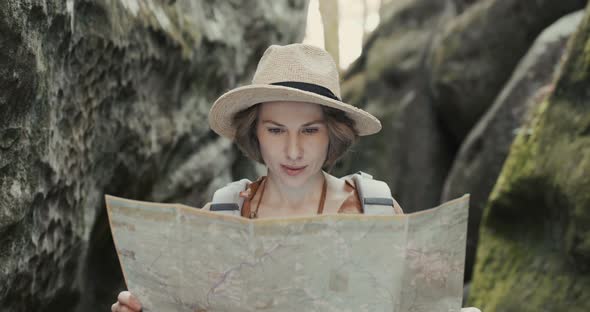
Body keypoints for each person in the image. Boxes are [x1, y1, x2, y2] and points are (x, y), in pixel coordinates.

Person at [111, 43, 478, 312]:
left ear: (332, 134)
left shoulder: (376, 210)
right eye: (275, 130)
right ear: (254, 133)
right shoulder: (221, 215)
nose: (292, 150)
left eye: (309, 130)